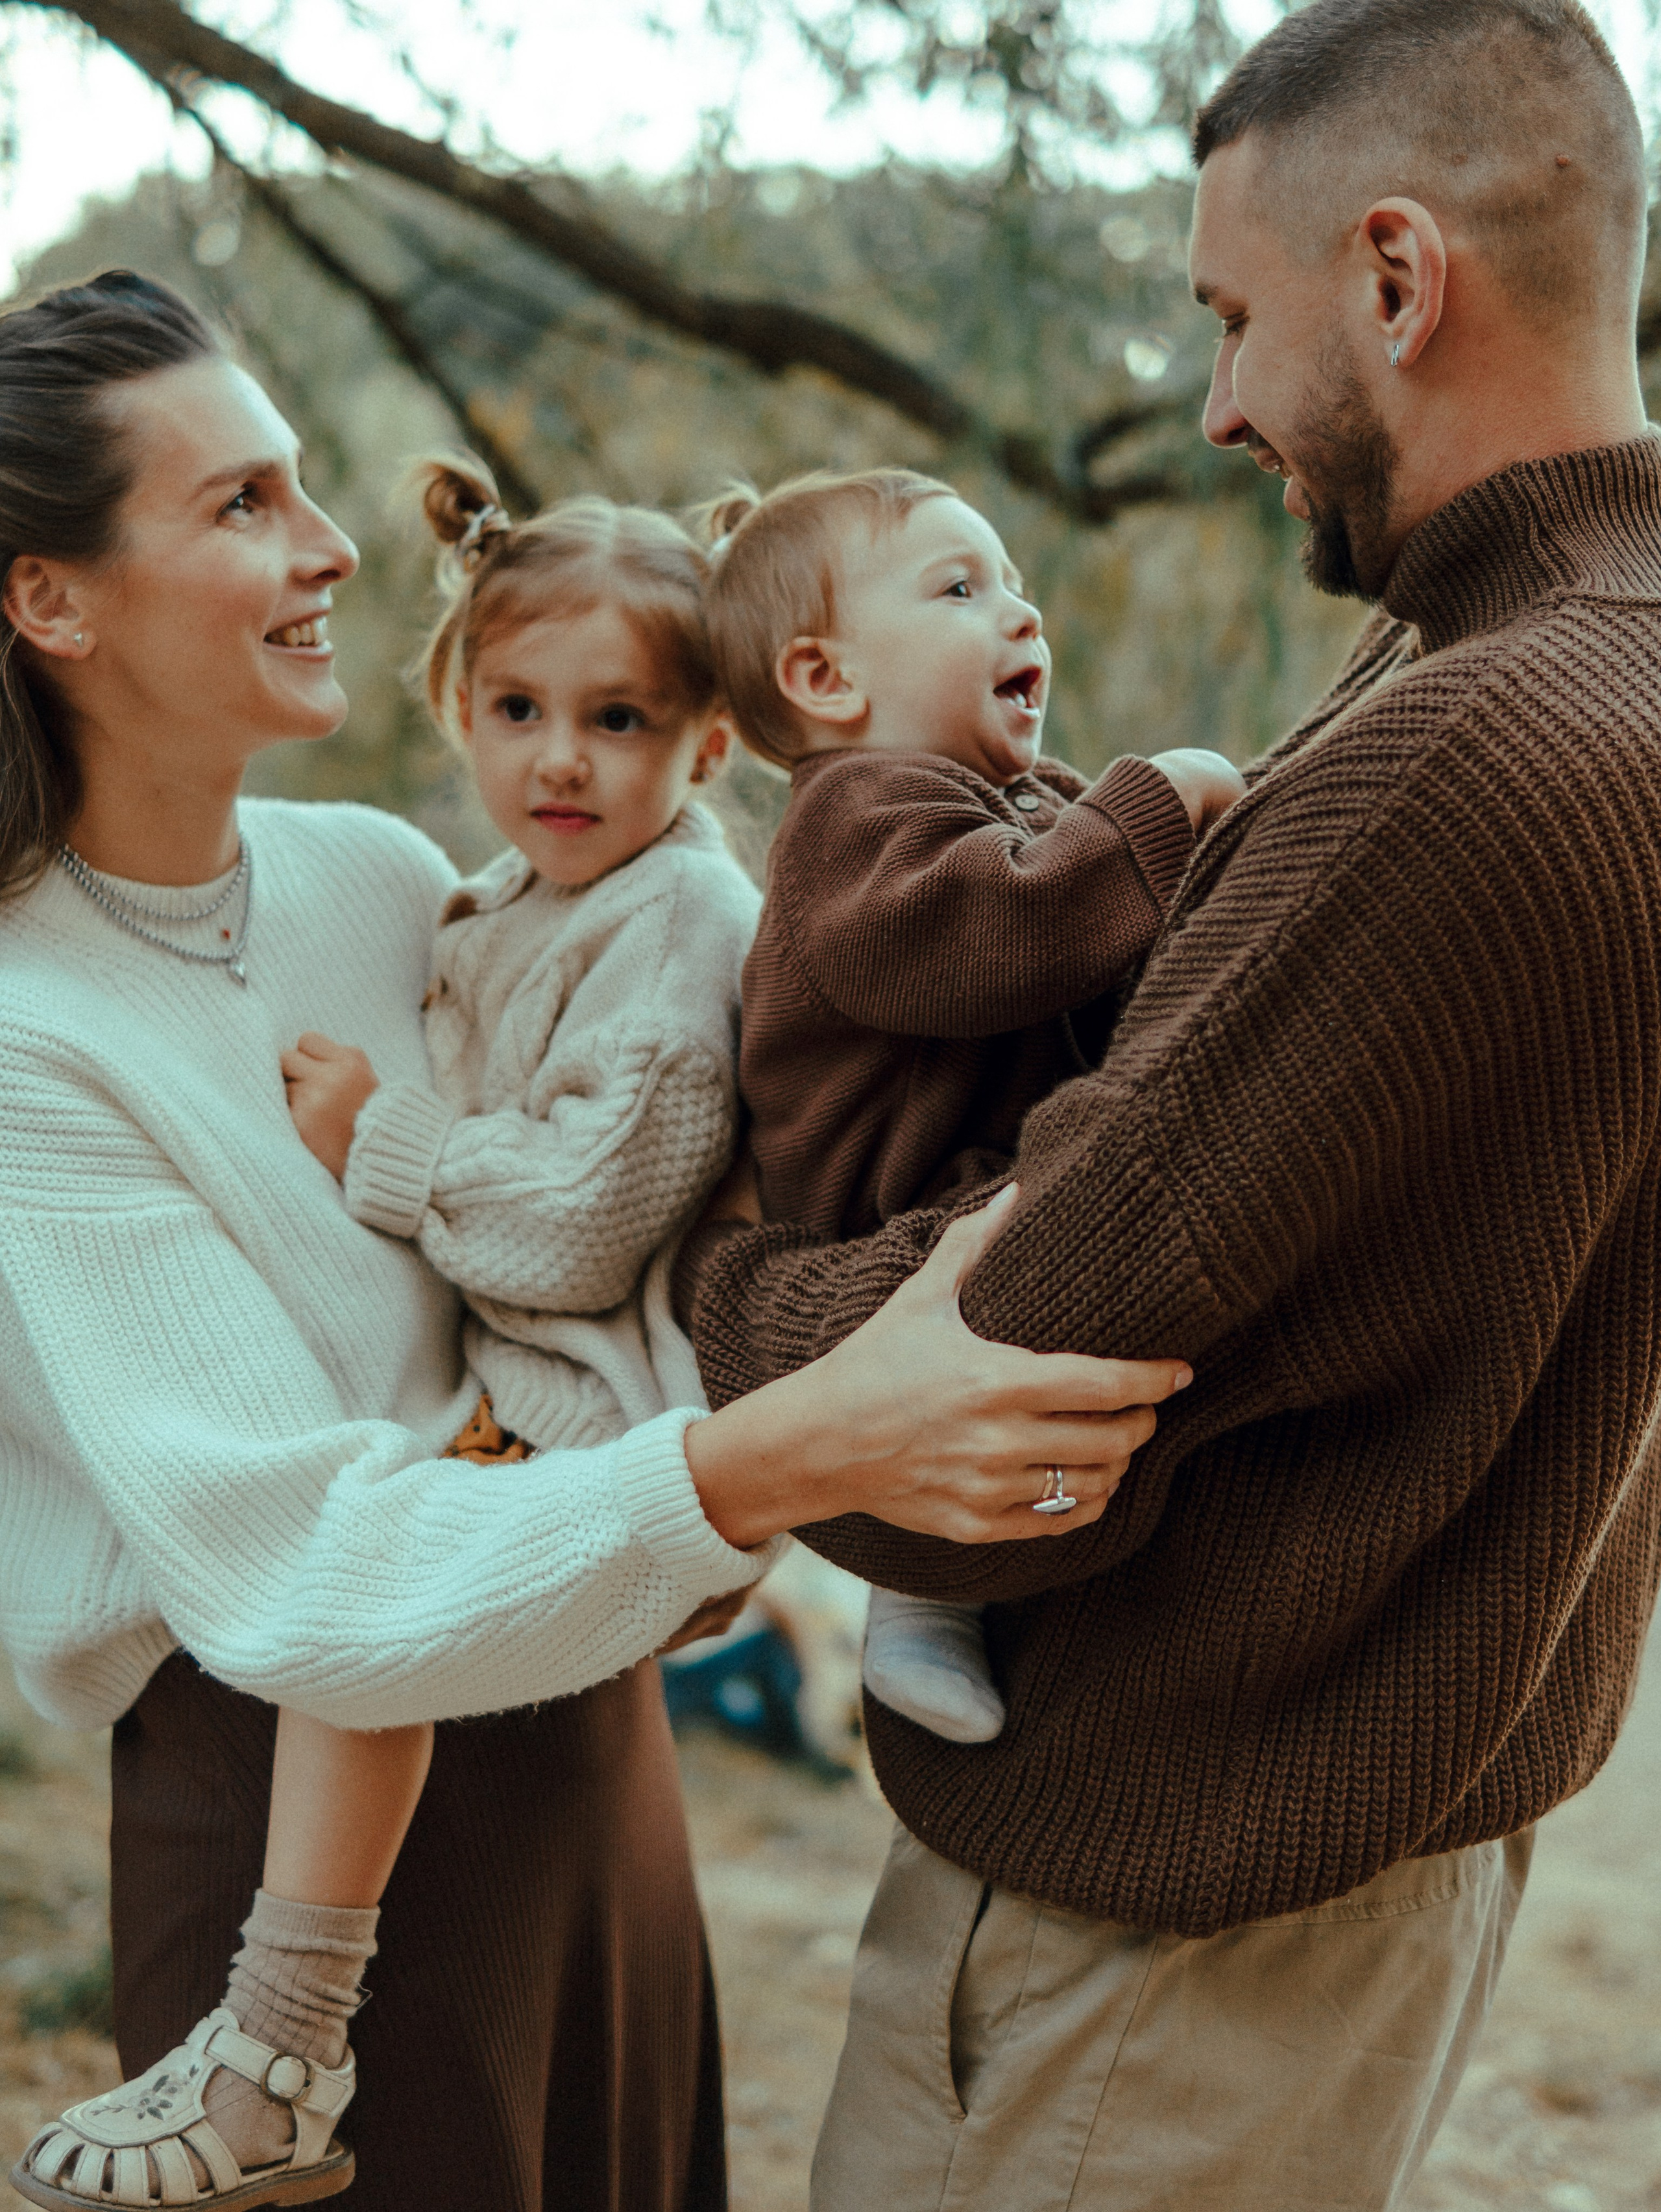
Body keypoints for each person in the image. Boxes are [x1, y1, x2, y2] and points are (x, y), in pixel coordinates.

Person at [0, 270, 1189, 2212]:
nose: (325, 548)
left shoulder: (394, 884)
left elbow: (659, 1173)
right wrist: (805, 1441)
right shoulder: (27, 1045)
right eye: (240, 507)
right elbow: (308, 1566)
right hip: (283, 1834)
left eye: (305, 487)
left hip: (594, 1722)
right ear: (51, 599)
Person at [679, 1, 1661, 2203]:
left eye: (1234, 318)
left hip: (1183, 1918)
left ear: (1397, 282)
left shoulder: (1483, 741)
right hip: (1346, 1826)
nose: (1216, 402)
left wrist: (710, 1262)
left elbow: (975, 1429)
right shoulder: (1574, 655)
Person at [703, 467, 1242, 1741]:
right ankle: (919, 1580)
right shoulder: (849, 822)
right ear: (825, 681)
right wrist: (1166, 796)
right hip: (887, 1219)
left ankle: (933, 1584)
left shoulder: (1008, 804)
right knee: (997, 1364)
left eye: (1016, 586)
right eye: (960, 587)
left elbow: (1094, 911)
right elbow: (995, 934)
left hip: (973, 1190)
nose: (1021, 616)